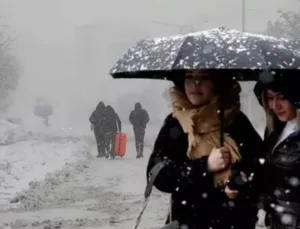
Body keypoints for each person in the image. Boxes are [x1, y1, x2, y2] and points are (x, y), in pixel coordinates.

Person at [146, 70, 264, 229]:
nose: (195, 84)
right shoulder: (175, 123)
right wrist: (205, 166)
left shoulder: (235, 120)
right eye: (189, 77)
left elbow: (259, 165)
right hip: (188, 222)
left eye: (204, 78)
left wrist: (237, 180)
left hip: (233, 222)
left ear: (217, 82)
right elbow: (157, 174)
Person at [254, 73, 300, 229]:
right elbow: (268, 175)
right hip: (274, 221)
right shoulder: (276, 129)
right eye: (269, 97)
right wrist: (262, 206)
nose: (274, 105)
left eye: (282, 97)